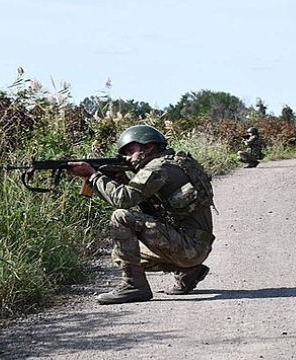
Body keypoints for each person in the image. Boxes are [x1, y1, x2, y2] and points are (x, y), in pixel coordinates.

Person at [68, 125, 215, 304]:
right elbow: (152, 206)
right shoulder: (172, 163)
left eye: (131, 151)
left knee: (120, 216)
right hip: (194, 246)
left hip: (190, 247)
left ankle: (134, 287)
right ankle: (189, 271)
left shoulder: (157, 168)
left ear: (149, 147)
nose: (127, 158)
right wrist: (123, 181)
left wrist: (93, 176)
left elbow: (123, 200)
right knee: (120, 254)